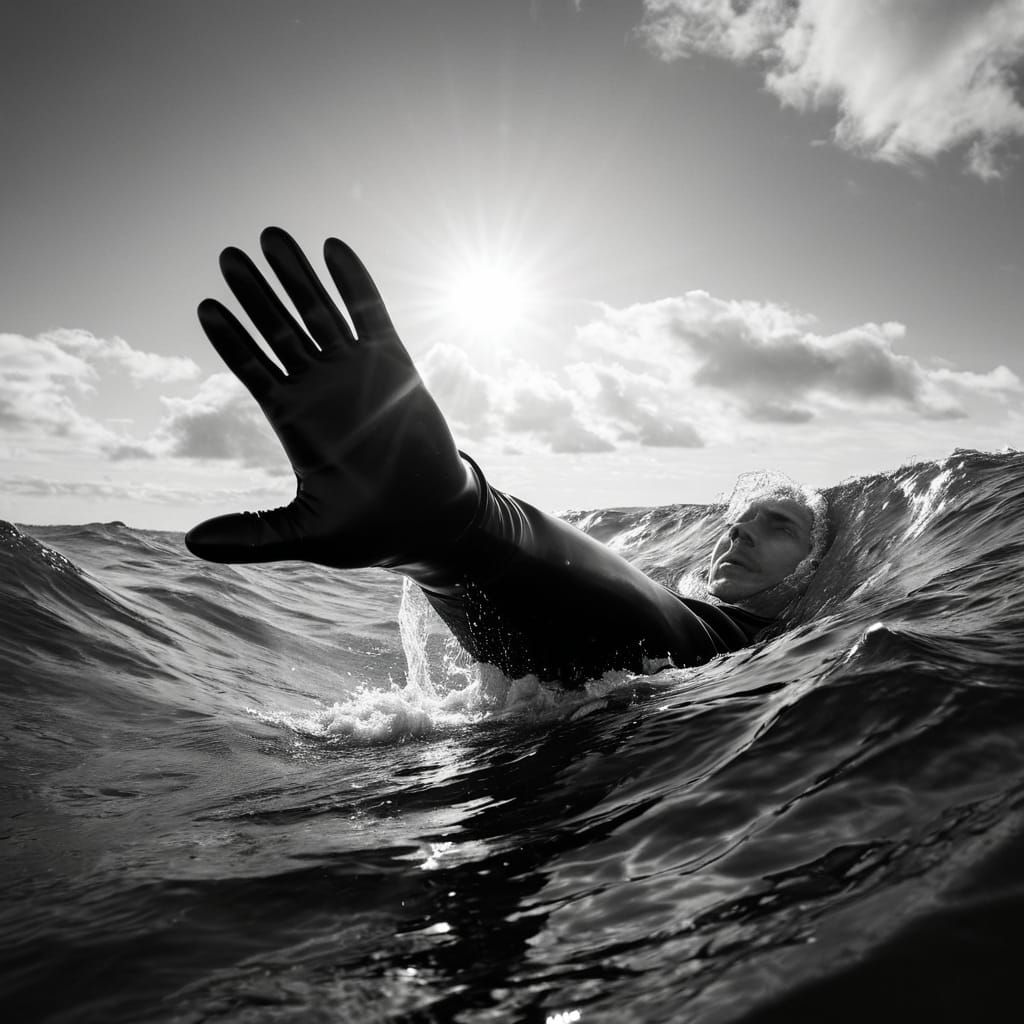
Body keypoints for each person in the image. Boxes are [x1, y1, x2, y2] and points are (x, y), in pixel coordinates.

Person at [185, 228, 828, 686]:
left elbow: (686, 640)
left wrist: (458, 527)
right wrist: (446, 529)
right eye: (740, 519)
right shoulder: (676, 606)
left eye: (780, 525)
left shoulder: (783, 649)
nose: (743, 530)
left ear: (816, 567)